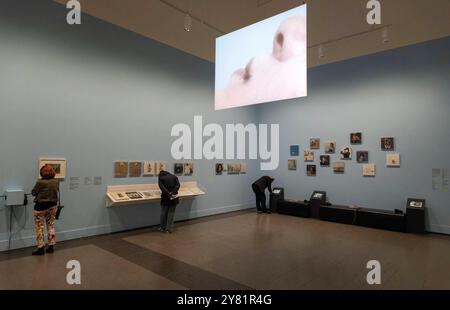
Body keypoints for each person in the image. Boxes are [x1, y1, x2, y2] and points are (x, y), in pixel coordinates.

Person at [31, 165, 59, 255]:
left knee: (40, 227)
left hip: (40, 207)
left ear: (42, 173)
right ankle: (51, 247)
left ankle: (40, 248)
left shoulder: (40, 182)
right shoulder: (56, 181)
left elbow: (33, 192)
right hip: (53, 206)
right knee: (51, 226)